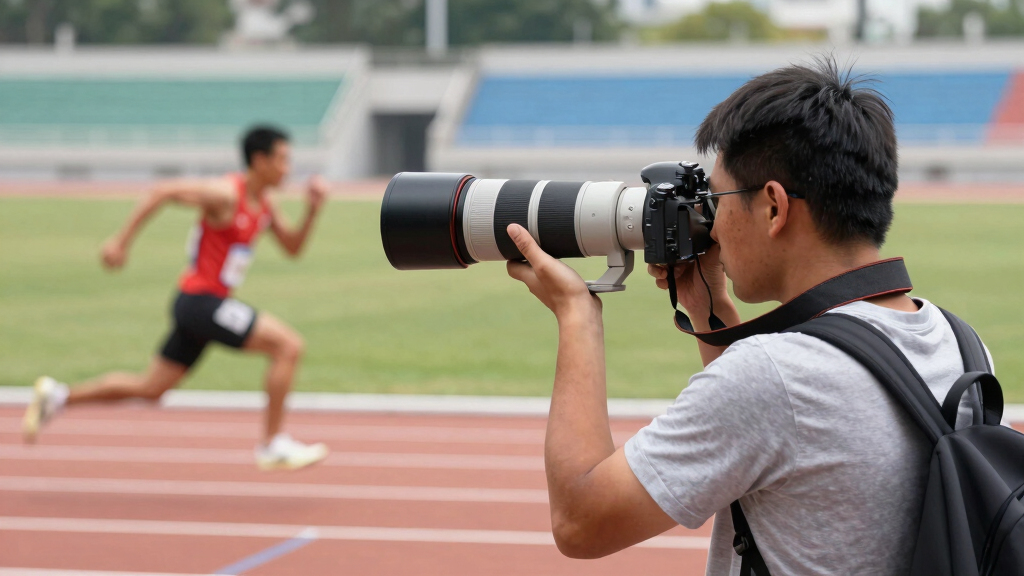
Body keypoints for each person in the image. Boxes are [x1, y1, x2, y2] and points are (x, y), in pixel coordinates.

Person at [504, 58, 990, 574]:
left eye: (718, 199)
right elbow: (793, 447)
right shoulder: (958, 341)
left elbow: (583, 521)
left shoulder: (775, 376)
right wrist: (710, 310)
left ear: (774, 207)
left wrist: (577, 313)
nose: (711, 224)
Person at [24, 125, 330, 471]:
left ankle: (59, 396)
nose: (288, 168)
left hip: (202, 306)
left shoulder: (266, 206)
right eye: (282, 160)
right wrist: (120, 242)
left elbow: (292, 249)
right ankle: (272, 444)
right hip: (201, 301)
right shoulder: (226, 194)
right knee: (287, 346)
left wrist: (313, 211)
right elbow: (163, 191)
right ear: (259, 160)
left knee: (151, 388)